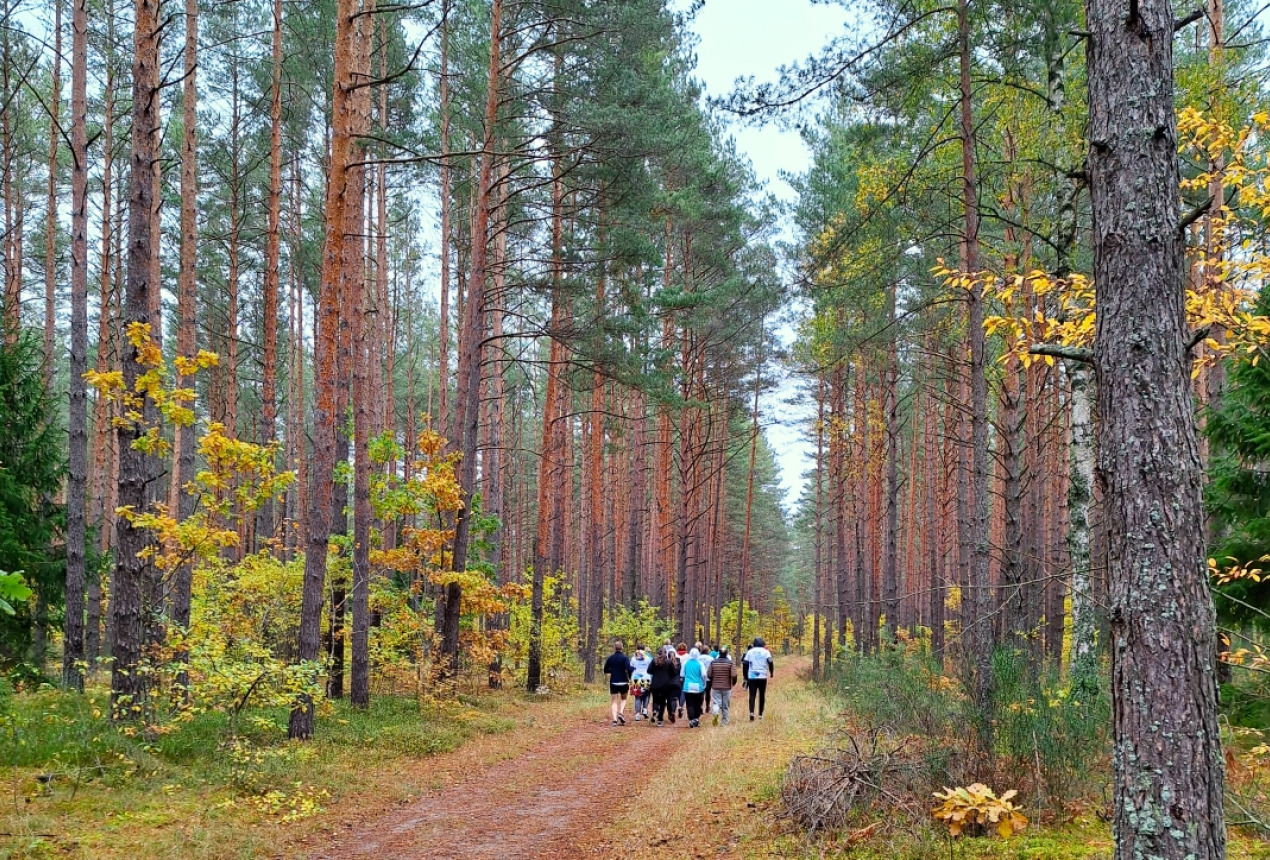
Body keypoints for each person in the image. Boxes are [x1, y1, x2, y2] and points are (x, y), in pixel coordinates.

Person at [742, 637, 774, 721]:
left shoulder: (750, 651)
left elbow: (745, 663)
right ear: (762, 643)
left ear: (754, 643)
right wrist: (771, 672)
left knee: (752, 695)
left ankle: (751, 712)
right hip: (762, 676)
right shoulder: (766, 652)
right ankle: (760, 714)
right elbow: (770, 661)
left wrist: (745, 676)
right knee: (762, 695)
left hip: (752, 676)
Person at [603, 640, 633, 726]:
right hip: (623, 681)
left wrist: (612, 671)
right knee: (624, 699)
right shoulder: (625, 658)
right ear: (622, 648)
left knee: (614, 701)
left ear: (614, 648)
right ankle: (621, 712)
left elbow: (605, 670)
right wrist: (630, 677)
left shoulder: (610, 658)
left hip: (613, 682)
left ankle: (614, 720)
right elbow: (628, 668)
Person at [706, 645, 738, 726]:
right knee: (725, 705)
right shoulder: (730, 663)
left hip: (715, 686)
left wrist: (713, 680)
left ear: (719, 653)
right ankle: (724, 722)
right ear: (727, 653)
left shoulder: (713, 662)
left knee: (716, 702)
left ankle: (715, 712)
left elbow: (709, 674)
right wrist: (733, 682)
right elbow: (734, 675)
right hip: (726, 687)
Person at [648, 646, 679, 726]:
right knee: (662, 702)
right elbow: (674, 673)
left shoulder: (654, 661)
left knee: (655, 699)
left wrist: (655, 672)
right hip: (665, 685)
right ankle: (660, 719)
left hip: (655, 684)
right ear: (665, 653)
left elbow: (649, 670)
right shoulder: (669, 662)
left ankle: (655, 710)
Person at [681, 647, 708, 727]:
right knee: (698, 703)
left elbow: (682, 674)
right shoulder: (700, 663)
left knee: (689, 703)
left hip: (688, 686)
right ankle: (696, 718)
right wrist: (704, 682)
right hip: (698, 686)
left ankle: (691, 719)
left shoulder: (685, 663)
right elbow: (704, 674)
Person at [630, 645, 653, 721]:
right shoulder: (648, 658)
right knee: (646, 694)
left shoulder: (633, 658)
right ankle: (645, 709)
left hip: (635, 678)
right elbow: (651, 668)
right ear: (644, 650)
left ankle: (637, 715)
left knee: (637, 696)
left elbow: (631, 667)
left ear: (637, 649)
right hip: (646, 677)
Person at [674, 642, 689, 718]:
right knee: (683, 691)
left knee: (676, 691)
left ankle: (674, 707)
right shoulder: (688, 656)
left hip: (676, 676)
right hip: (685, 676)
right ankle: (681, 706)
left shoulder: (675, 656)